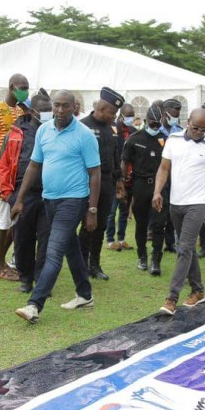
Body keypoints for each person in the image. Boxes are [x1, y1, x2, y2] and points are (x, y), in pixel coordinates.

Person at [13, 90, 101, 324]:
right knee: (70, 247)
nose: (60, 110)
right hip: (49, 199)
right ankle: (84, 294)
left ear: (75, 107)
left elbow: (95, 173)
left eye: (65, 106)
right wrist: (20, 199)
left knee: (53, 252)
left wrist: (92, 210)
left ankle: (34, 304)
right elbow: (33, 165)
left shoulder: (84, 136)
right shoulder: (44, 130)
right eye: (57, 105)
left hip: (73, 201)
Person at [153, 109, 205, 315]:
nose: (199, 132)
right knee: (188, 247)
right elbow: (164, 168)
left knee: (183, 248)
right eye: (195, 128)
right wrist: (157, 191)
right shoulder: (173, 140)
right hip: (176, 202)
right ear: (187, 122)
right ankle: (198, 290)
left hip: (198, 203)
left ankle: (171, 298)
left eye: (203, 129)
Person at [0, 93, 52, 294]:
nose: (49, 114)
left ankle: (42, 279)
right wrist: (8, 194)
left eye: (50, 110)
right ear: (32, 112)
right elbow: (3, 164)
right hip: (22, 194)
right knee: (23, 237)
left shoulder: (54, 131)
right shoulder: (15, 133)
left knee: (47, 239)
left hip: (49, 194)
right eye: (45, 111)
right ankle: (25, 277)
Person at [0, 73, 29, 281]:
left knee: (14, 220)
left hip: (16, 174)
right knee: (3, 220)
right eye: (22, 87)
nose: (25, 91)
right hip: (0, 175)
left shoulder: (21, 111)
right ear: (11, 87)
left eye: (27, 87)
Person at [79, 87, 124, 280]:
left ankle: (94, 265)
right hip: (86, 182)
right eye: (112, 113)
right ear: (102, 108)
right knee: (86, 223)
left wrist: (119, 180)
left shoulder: (112, 128)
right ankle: (81, 263)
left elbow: (116, 156)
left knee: (100, 225)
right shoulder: (82, 126)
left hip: (107, 183)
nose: (113, 117)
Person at [118, 105, 169, 275]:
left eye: (158, 125)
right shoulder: (134, 139)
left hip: (160, 187)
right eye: (152, 124)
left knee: (159, 224)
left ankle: (156, 260)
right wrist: (122, 185)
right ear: (146, 120)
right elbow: (125, 162)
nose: (155, 128)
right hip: (140, 185)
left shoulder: (167, 140)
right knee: (141, 224)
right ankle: (142, 257)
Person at [106, 103, 136, 252]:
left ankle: (122, 238)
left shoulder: (133, 131)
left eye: (132, 116)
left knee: (124, 209)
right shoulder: (112, 130)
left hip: (129, 178)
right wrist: (118, 176)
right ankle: (110, 240)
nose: (130, 119)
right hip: (115, 177)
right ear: (121, 115)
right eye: (128, 116)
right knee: (112, 210)